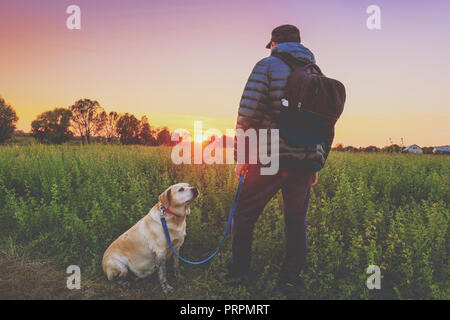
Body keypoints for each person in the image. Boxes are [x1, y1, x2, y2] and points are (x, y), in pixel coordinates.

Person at [220, 24, 334, 298]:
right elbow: (326, 125)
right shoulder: (316, 72)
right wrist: (318, 162)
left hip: (269, 159)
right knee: (296, 221)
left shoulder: (266, 66)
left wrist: (242, 157)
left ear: (274, 44)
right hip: (305, 162)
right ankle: (289, 281)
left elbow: (248, 113)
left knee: (245, 214)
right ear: (299, 44)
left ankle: (238, 273)